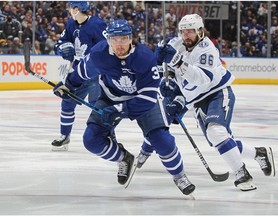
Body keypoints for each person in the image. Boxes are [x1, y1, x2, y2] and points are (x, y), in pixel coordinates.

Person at [53, 19, 195, 196]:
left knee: (161, 140)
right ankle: (124, 158)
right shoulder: (99, 54)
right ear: (108, 40)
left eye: (123, 39)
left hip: (142, 101)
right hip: (110, 98)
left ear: (131, 39)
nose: (119, 44)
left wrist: (120, 110)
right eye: (114, 39)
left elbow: (148, 97)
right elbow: (81, 72)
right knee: (91, 140)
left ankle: (179, 176)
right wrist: (68, 86)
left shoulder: (144, 57)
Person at [150, 14, 275, 191]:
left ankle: (242, 174)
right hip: (196, 101)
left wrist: (177, 62)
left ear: (200, 31)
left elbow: (202, 79)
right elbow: (165, 67)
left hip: (216, 92)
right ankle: (258, 153)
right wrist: (165, 77)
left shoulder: (206, 49)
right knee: (221, 140)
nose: (186, 36)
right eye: (183, 32)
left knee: (216, 133)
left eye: (190, 32)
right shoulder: (176, 44)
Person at [52, 1, 107, 151]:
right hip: (77, 73)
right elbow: (60, 43)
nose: (69, 10)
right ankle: (65, 136)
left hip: (95, 74)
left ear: (76, 9)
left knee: (99, 106)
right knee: (67, 102)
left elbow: (106, 48)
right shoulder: (71, 24)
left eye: (71, 7)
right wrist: (63, 49)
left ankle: (108, 137)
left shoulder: (97, 24)